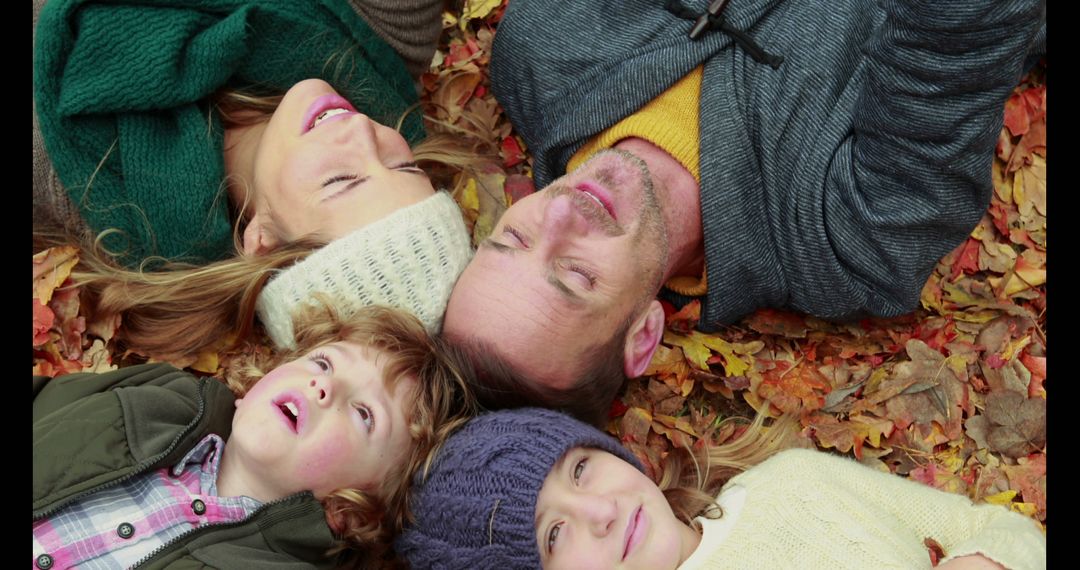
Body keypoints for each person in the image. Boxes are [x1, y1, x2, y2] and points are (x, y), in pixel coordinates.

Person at [440, 0, 1048, 425]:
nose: (561, 217)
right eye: (575, 274)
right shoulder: (849, 238)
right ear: (644, 332)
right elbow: (962, 35)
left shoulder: (539, 48)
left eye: (513, 240)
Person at [33, 304, 479, 569]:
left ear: (356, 511)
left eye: (365, 414)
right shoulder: (162, 398)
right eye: (323, 363)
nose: (324, 386)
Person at [33, 0, 452, 265]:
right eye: (403, 166)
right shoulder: (378, 42)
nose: (363, 130)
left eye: (342, 180)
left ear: (264, 240)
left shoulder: (79, 181)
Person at [395, 408, 1046, 569]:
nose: (598, 511)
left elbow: (1001, 531)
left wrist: (986, 559)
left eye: (580, 469)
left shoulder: (793, 482)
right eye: (554, 535)